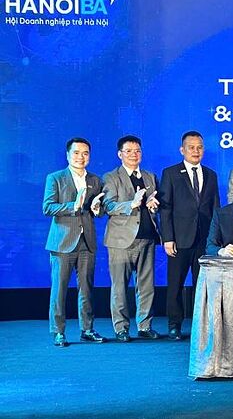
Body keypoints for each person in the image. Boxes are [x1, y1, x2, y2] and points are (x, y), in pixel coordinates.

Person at [43, 137, 106, 347]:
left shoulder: (95, 180)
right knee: (59, 289)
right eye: (77, 153)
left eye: (85, 153)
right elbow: (47, 207)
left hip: (87, 242)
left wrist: (97, 209)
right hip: (62, 243)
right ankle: (58, 331)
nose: (81, 157)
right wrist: (73, 206)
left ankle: (87, 329)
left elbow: (99, 209)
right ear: (68, 155)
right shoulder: (55, 178)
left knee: (86, 289)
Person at [159, 131, 220, 340]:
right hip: (179, 239)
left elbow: (215, 209)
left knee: (201, 285)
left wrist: (216, 240)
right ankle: (174, 324)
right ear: (182, 150)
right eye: (191, 147)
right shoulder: (171, 173)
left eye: (199, 147)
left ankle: (199, 324)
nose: (196, 151)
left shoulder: (211, 175)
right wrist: (168, 238)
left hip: (204, 240)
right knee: (175, 284)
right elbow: (165, 208)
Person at [102, 135, 161, 342]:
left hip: (147, 237)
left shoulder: (150, 176)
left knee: (146, 286)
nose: (134, 155)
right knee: (119, 287)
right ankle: (121, 328)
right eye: (128, 151)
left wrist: (153, 205)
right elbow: (108, 206)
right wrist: (131, 204)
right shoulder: (111, 177)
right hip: (121, 240)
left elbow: (154, 203)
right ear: (120, 154)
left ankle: (145, 326)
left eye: (137, 151)